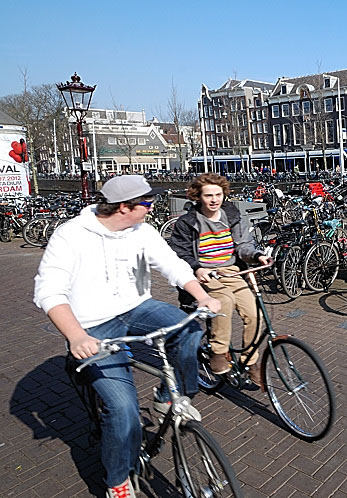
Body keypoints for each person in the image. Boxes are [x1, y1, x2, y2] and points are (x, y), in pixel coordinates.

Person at [33, 175, 221, 498]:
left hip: (137, 308)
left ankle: (168, 398)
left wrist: (201, 296)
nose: (152, 208)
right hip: (92, 325)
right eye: (147, 203)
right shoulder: (71, 235)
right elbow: (48, 290)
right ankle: (118, 479)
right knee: (123, 410)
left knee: (189, 328)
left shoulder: (142, 231)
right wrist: (76, 336)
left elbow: (173, 265)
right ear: (124, 207)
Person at [169, 173, 272, 388]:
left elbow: (243, 245)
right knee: (224, 300)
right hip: (205, 273)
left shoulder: (231, 215)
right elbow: (180, 253)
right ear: (198, 197)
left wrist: (256, 256)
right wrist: (197, 268)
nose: (214, 200)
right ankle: (218, 351)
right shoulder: (187, 222)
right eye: (208, 195)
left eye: (218, 194)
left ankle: (249, 362)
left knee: (254, 312)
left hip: (232, 271)